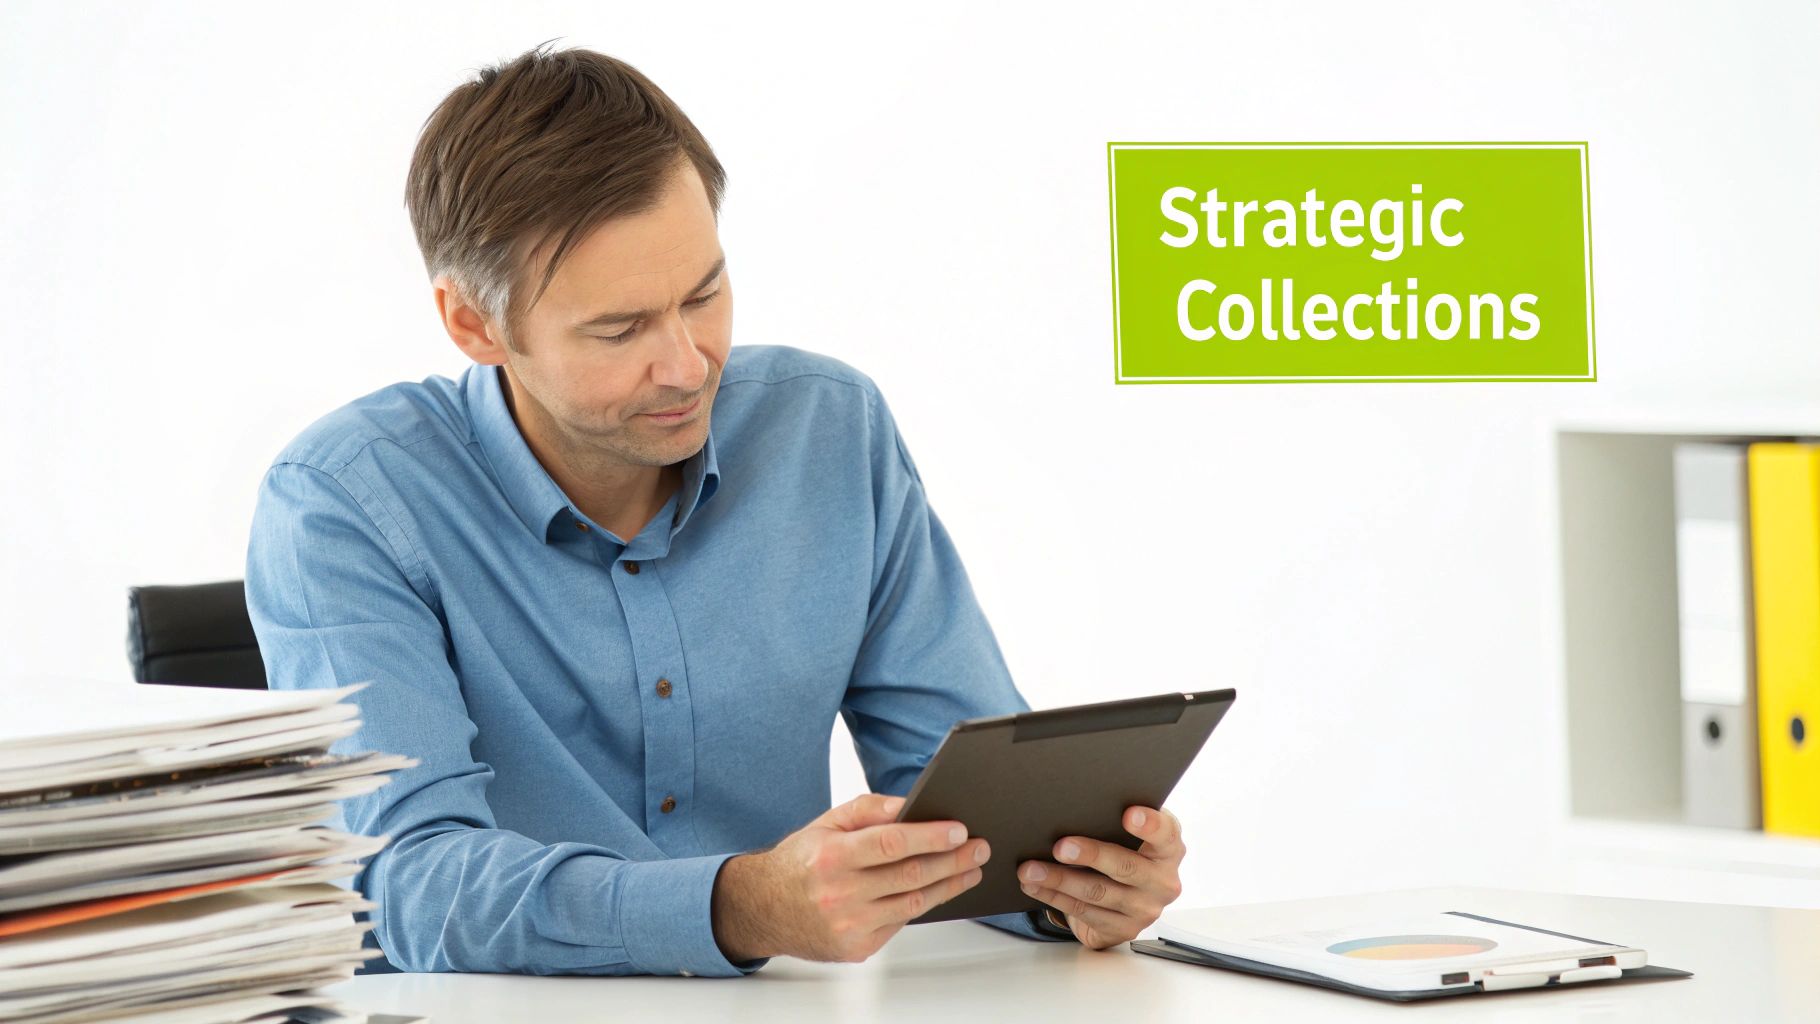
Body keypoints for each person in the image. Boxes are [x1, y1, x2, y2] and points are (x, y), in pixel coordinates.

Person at [244, 43, 1187, 978]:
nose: (689, 365)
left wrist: (1072, 889)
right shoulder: (342, 502)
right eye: (619, 330)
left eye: (704, 294)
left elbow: (973, 807)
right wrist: (741, 905)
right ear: (474, 324)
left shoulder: (828, 429)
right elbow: (415, 884)